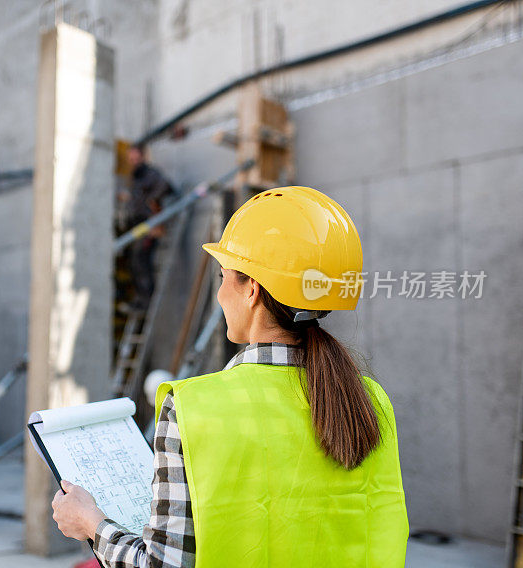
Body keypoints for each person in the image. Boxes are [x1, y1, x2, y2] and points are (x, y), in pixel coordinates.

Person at [52, 186, 409, 567]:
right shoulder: (369, 397)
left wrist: (92, 523)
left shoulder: (192, 409)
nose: (221, 293)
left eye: (223, 277)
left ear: (252, 288)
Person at [122, 144, 175, 310]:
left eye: (135, 156)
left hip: (148, 226)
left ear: (142, 156)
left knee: (141, 259)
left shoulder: (150, 174)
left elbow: (166, 187)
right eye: (130, 157)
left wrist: (152, 204)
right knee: (134, 259)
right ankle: (140, 298)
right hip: (138, 226)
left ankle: (146, 301)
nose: (133, 160)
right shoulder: (135, 176)